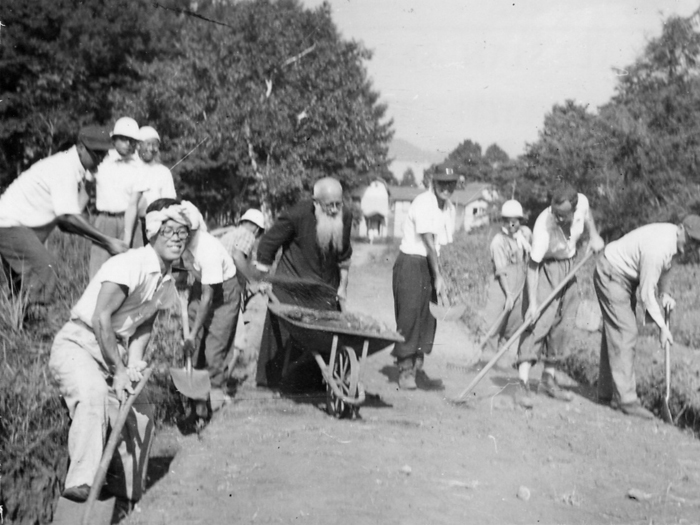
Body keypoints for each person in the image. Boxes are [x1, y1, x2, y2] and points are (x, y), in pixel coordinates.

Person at [48, 198, 192, 503]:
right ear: (152, 232)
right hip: (79, 344)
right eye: (169, 230)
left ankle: (127, 493)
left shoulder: (166, 281)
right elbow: (101, 318)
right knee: (93, 396)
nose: (177, 237)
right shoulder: (131, 264)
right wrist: (119, 370)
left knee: (140, 415)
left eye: (183, 231)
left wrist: (134, 363)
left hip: (111, 353)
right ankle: (82, 482)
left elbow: (144, 325)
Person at [0, 126, 128, 306]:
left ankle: (15, 323)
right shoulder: (64, 168)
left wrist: (103, 241)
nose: (100, 158)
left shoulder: (74, 168)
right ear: (81, 147)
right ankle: (22, 322)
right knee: (43, 268)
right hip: (8, 224)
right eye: (96, 153)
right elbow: (67, 218)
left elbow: (65, 222)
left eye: (104, 153)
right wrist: (107, 241)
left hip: (19, 226)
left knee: (19, 283)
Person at [594, 216, 700, 419]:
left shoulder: (673, 241)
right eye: (691, 239)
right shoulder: (658, 247)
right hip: (611, 274)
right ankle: (627, 401)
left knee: (616, 333)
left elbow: (666, 268)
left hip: (621, 274)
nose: (693, 245)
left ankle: (605, 394)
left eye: (697, 242)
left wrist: (666, 293)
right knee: (626, 332)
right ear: (680, 229)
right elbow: (646, 294)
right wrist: (662, 327)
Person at [254, 177, 352, 391]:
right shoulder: (296, 215)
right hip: (291, 286)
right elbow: (268, 243)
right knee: (285, 333)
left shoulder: (346, 215)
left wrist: (343, 285)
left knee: (324, 334)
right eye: (329, 205)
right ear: (315, 203)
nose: (335, 210)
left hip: (324, 288)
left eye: (338, 204)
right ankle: (271, 383)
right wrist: (263, 278)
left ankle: (317, 383)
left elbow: (344, 255)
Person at [514, 183, 604, 408]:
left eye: (563, 215)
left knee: (564, 324)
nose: (557, 218)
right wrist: (533, 303)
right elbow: (532, 267)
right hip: (546, 268)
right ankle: (522, 383)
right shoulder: (543, 226)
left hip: (570, 266)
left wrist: (594, 235)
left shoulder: (581, 203)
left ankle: (548, 379)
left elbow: (588, 213)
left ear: (573, 210)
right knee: (538, 323)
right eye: (555, 213)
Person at [392, 165, 457, 390]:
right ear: (433, 182)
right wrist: (437, 275)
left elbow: (442, 246)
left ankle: (417, 368)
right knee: (409, 316)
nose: (446, 188)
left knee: (428, 318)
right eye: (442, 183)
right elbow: (429, 243)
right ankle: (405, 370)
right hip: (412, 262)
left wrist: (443, 276)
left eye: (451, 184)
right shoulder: (423, 202)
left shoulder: (449, 208)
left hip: (431, 264)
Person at [180, 202, 242, 415]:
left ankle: (217, 392)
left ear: (192, 230)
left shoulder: (208, 250)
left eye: (182, 230)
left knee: (214, 348)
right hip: (201, 285)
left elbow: (208, 299)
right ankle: (194, 392)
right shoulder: (178, 241)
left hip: (223, 293)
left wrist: (195, 331)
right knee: (192, 342)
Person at [478, 200, 532, 366]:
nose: (512, 223)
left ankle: (500, 360)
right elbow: (501, 271)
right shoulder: (498, 241)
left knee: (514, 322)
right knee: (493, 323)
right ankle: (484, 358)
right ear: (503, 221)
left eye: (515, 219)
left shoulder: (525, 235)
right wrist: (508, 295)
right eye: (508, 220)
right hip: (502, 287)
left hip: (520, 284)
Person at [89, 116, 144, 278]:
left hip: (130, 222)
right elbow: (86, 186)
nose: (128, 144)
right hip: (104, 222)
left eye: (132, 140)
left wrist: (127, 239)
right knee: (99, 272)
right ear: (113, 140)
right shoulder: (100, 161)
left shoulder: (139, 166)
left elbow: (133, 204)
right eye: (124, 139)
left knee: (134, 272)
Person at [129, 126, 177, 248]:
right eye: (148, 144)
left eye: (155, 145)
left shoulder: (163, 171)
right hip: (133, 224)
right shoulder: (131, 168)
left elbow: (169, 202)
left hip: (156, 225)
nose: (151, 148)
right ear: (138, 145)